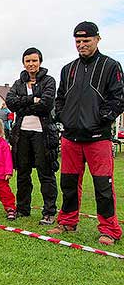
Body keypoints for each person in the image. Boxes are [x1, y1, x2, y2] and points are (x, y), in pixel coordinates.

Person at [47, 22, 124, 245]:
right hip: (70, 137)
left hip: (98, 138)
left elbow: (118, 98)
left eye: (86, 41)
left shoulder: (111, 66)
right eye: (78, 41)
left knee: (103, 186)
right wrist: (63, 116)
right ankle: (67, 221)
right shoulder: (68, 69)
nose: (81, 45)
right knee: (68, 183)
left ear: (97, 39)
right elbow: (59, 98)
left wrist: (101, 119)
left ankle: (109, 229)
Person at [6, 47, 59, 225]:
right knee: (22, 173)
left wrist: (26, 103)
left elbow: (46, 104)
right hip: (21, 134)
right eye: (28, 61)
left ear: (40, 62)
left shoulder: (49, 81)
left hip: (42, 134)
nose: (31, 64)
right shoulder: (18, 83)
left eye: (34, 60)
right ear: (23, 63)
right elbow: (11, 103)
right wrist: (31, 100)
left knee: (46, 173)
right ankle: (23, 208)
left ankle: (49, 211)